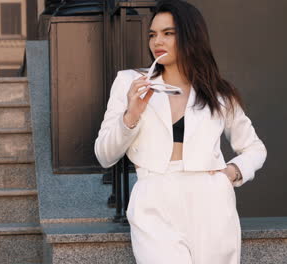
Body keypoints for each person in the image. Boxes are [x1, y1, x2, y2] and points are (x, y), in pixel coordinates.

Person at [94, 0, 267, 263]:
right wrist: (132, 115)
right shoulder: (130, 82)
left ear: (190, 35)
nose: (157, 41)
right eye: (152, 34)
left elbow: (254, 148)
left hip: (211, 201)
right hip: (154, 198)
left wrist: (232, 173)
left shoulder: (218, 93)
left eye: (168, 33)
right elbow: (104, 155)